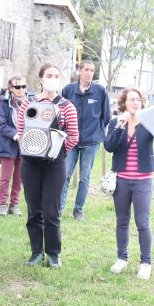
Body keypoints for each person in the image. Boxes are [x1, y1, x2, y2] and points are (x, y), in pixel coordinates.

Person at [104, 87, 154, 280]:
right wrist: (120, 125)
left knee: (142, 223)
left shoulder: (149, 121)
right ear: (124, 103)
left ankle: (145, 262)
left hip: (143, 180)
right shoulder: (116, 122)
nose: (135, 103)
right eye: (131, 99)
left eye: (138, 100)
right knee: (122, 221)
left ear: (142, 103)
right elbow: (109, 146)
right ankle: (121, 258)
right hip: (122, 180)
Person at [16, 64, 78, 267]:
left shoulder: (67, 106)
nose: (53, 79)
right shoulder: (28, 103)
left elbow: (74, 136)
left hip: (55, 164)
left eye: (57, 76)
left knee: (51, 210)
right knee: (34, 210)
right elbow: (20, 130)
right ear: (41, 80)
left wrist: (56, 151)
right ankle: (36, 252)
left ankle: (53, 253)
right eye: (49, 75)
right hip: (30, 164)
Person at [60, 58, 111, 221]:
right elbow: (61, 114)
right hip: (71, 140)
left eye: (91, 70)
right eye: (86, 69)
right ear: (80, 70)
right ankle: (59, 209)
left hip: (91, 141)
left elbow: (106, 116)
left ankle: (78, 210)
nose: (89, 73)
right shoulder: (68, 90)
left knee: (85, 177)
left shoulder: (100, 91)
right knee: (65, 175)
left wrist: (94, 131)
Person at [0, 75, 26, 216]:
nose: (21, 89)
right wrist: (16, 135)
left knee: (19, 178)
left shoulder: (30, 102)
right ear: (11, 88)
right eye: (17, 87)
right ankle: (3, 204)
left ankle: (14, 205)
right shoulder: (3, 103)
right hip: (8, 145)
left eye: (23, 86)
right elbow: (1, 125)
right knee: (5, 178)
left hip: (25, 147)